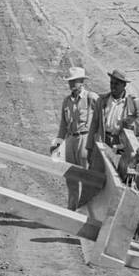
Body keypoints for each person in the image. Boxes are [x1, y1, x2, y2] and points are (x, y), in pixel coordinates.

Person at [49, 67, 97, 210]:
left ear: (82, 82)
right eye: (70, 82)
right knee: (71, 178)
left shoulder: (91, 98)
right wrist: (57, 143)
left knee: (87, 178)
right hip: (70, 140)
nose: (71, 85)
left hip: (85, 139)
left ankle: (86, 213)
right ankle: (71, 211)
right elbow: (63, 126)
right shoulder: (67, 101)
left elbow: (102, 117)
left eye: (74, 82)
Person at [89, 69, 139, 151]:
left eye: (116, 84)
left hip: (120, 143)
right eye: (111, 83)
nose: (113, 86)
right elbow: (94, 124)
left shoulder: (131, 103)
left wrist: (138, 115)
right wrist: (89, 146)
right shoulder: (102, 100)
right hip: (103, 140)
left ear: (124, 85)